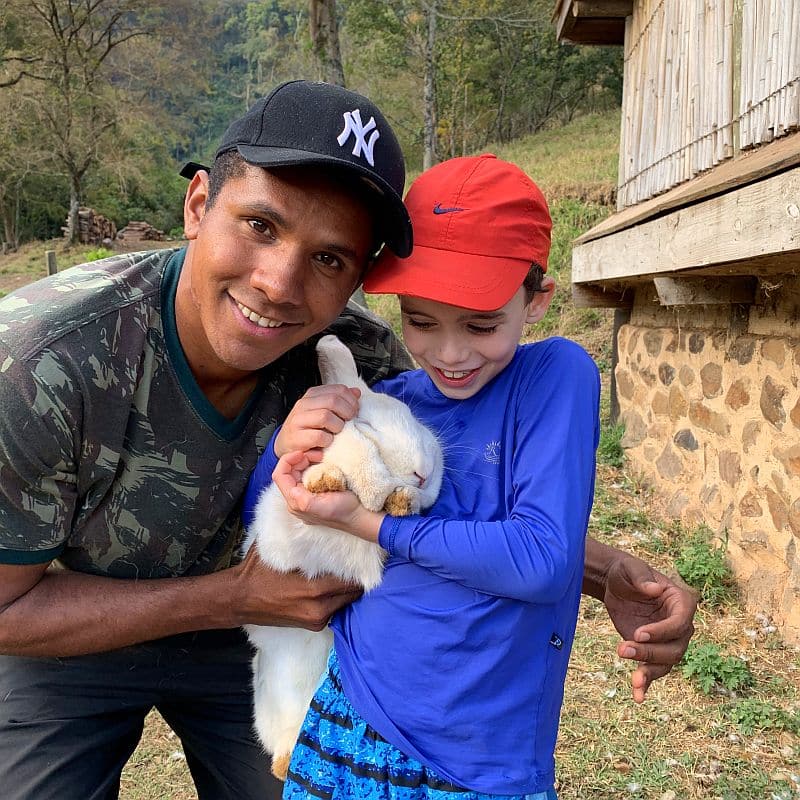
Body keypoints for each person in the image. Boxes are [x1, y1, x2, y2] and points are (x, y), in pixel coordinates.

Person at [0, 79, 694, 800]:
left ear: (362, 279)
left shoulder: (367, 357)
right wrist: (235, 596)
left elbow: (440, 502)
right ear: (199, 205)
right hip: (70, 631)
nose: (278, 283)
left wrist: (607, 572)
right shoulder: (40, 362)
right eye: (260, 226)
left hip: (274, 634)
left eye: (330, 259)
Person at [245, 153, 691, 799]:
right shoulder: (392, 403)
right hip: (346, 719)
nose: (450, 355)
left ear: (537, 300)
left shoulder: (552, 379)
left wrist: (370, 523)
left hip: (478, 766)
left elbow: (539, 560)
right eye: (421, 322)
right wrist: (290, 445)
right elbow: (270, 520)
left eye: (481, 324)